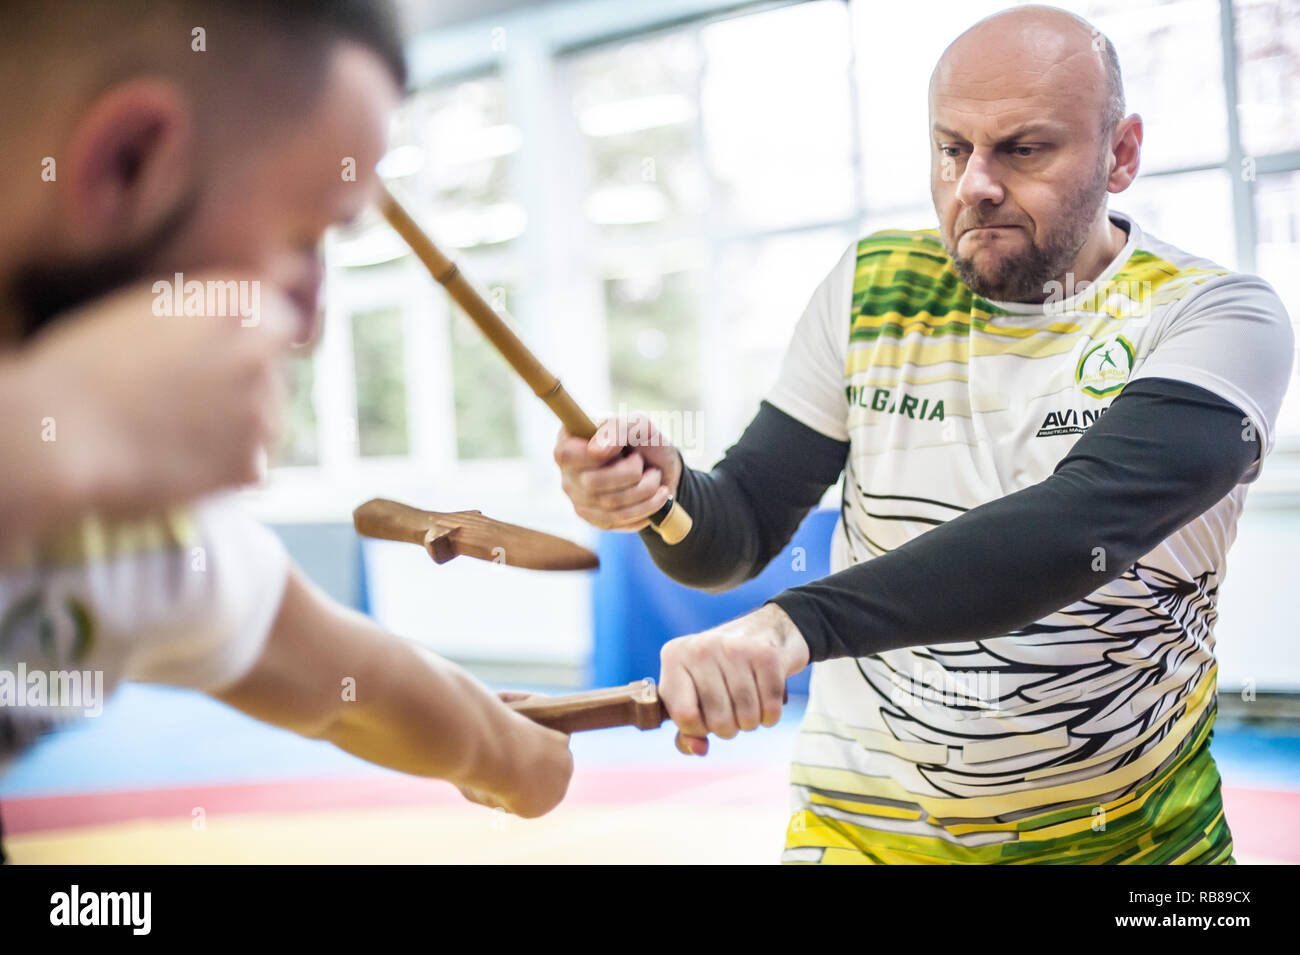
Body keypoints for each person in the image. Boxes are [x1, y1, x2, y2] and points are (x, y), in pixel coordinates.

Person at [554, 5, 1295, 864]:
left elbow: (1074, 529)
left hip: (1138, 847)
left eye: (1023, 149)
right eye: (951, 149)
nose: (974, 184)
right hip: (863, 833)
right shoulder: (872, 286)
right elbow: (736, 534)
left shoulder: (1218, 315)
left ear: (1121, 154)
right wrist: (661, 496)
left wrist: (788, 626)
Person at [0, 0, 573, 866]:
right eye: (305, 239)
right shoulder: (75, 445)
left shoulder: (118, 526)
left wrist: (503, 751)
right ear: (125, 165)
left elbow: (344, 682)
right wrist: (57, 436)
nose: (306, 319)